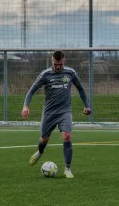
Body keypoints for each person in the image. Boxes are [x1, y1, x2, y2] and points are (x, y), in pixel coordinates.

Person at [22, 50, 91, 179]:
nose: (58, 66)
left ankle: (67, 169)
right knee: (44, 139)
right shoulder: (45, 74)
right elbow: (32, 90)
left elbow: (80, 88)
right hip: (49, 112)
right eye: (55, 64)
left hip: (65, 110)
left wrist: (86, 105)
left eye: (60, 64)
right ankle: (40, 152)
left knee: (67, 136)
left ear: (63, 61)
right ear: (51, 61)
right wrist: (26, 106)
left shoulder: (70, 73)